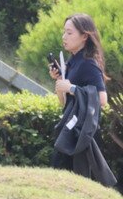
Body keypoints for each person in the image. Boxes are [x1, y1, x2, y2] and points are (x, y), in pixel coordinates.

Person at [49, 13, 115, 186]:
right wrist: (60, 82)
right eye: (64, 32)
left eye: (69, 33)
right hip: (71, 128)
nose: (64, 37)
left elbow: (102, 99)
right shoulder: (72, 62)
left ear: (84, 36)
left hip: (83, 133)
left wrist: (71, 88)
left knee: (80, 180)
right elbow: (64, 103)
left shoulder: (88, 63)